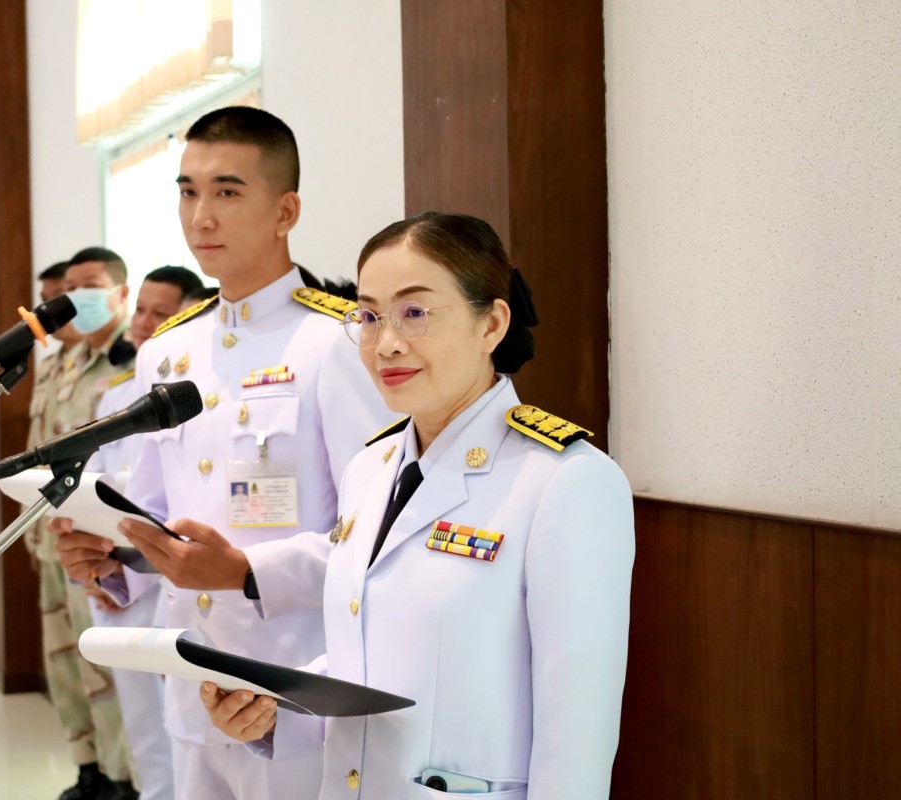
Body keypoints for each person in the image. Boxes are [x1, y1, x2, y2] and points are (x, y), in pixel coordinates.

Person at [167, 212, 635, 799]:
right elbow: (366, 652)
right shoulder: (370, 470)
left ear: (491, 324)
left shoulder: (564, 481)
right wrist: (275, 708)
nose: (385, 343)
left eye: (415, 313)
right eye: (368, 317)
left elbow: (577, 739)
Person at [51, 106, 393, 800]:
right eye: (188, 191)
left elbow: (379, 537)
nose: (200, 216)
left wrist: (244, 571)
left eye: (227, 191)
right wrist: (112, 561)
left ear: (285, 211)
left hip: (297, 695)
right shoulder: (166, 353)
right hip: (192, 685)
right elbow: (148, 511)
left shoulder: (335, 344)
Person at [81, 265, 204, 800]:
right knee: (144, 724)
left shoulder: (201, 394)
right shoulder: (114, 398)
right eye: (140, 310)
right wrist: (100, 570)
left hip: (179, 578)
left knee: (187, 730)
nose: (143, 322)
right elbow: (95, 484)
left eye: (161, 313)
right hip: (121, 579)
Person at [35, 247, 145, 800]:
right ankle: (89, 766)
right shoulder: (65, 362)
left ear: (121, 292)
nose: (77, 297)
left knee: (106, 664)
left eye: (91, 285)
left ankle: (121, 778)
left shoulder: (134, 361)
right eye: (69, 287)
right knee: (65, 662)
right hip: (52, 537)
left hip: (100, 543)